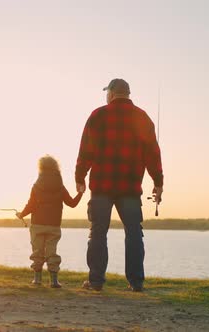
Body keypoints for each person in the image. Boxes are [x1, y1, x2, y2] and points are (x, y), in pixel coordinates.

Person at [75, 78, 164, 292]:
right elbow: (153, 153)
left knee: (98, 232)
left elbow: (86, 149)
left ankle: (96, 281)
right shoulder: (142, 118)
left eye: (107, 93)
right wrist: (158, 182)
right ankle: (136, 282)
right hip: (130, 188)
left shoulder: (98, 115)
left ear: (112, 93)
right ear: (128, 93)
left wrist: (79, 177)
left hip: (102, 186)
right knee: (134, 233)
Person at [17, 155, 84, 288]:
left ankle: (37, 279)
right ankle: (54, 281)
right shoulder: (60, 186)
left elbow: (31, 205)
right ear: (56, 168)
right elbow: (71, 203)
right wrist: (80, 193)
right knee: (52, 252)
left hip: (37, 225)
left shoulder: (36, 186)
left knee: (37, 251)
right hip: (54, 225)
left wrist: (21, 214)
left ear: (40, 168)